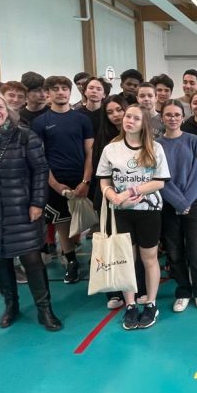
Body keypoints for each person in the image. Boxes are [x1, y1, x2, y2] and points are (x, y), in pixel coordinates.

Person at [0, 90, 61, 331]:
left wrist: (37, 203)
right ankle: (11, 306)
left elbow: (40, 170)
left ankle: (45, 309)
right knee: (1, 258)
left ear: (7, 109)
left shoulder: (24, 136)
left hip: (21, 207)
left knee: (31, 258)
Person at [98, 104, 170, 330]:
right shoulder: (111, 149)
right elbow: (104, 181)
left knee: (149, 259)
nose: (129, 120)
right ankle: (130, 305)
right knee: (126, 260)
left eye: (136, 118)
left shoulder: (155, 148)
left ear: (144, 123)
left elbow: (160, 182)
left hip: (148, 212)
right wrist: (114, 197)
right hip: (121, 213)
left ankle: (151, 303)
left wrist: (131, 192)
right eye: (128, 116)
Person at [32, 75, 95, 283]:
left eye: (64, 88)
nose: (60, 92)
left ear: (70, 92)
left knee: (93, 219)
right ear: (47, 93)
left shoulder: (82, 120)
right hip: (56, 181)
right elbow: (40, 158)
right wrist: (55, 184)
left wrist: (86, 181)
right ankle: (71, 261)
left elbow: (90, 152)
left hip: (82, 178)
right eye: (55, 89)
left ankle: (99, 259)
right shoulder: (40, 123)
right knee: (62, 222)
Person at [157, 100, 197, 311]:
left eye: (177, 114)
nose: (173, 118)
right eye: (168, 115)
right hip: (169, 205)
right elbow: (158, 178)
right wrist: (178, 202)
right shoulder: (156, 145)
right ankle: (183, 291)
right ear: (162, 118)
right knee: (175, 252)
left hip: (193, 204)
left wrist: (186, 201)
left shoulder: (193, 140)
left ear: (182, 117)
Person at [91, 94, 129, 310]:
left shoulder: (138, 135)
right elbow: (100, 173)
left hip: (132, 198)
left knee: (131, 245)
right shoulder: (103, 140)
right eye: (110, 112)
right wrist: (111, 193)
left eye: (119, 110)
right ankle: (114, 290)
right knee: (111, 244)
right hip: (108, 198)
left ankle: (134, 286)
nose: (115, 115)